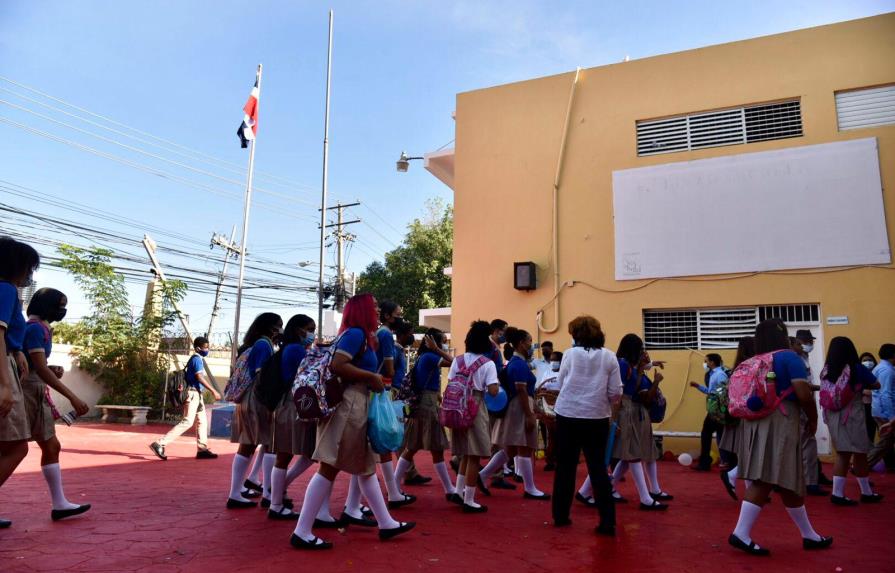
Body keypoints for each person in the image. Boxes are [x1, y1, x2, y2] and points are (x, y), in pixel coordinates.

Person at [290, 294, 414, 550]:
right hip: (349, 404)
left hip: (356, 403)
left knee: (364, 465)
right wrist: (371, 376)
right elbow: (338, 365)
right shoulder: (356, 334)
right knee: (330, 466)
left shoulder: (359, 335)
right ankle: (302, 530)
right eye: (375, 307)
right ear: (363, 311)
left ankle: (386, 523)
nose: (378, 311)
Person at [728, 318, 832, 556]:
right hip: (781, 421)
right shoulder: (788, 357)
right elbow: (803, 394)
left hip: (756, 422)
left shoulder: (754, 360)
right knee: (766, 477)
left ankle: (809, 535)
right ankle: (740, 533)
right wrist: (813, 419)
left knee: (787, 479)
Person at [21, 288, 92, 520]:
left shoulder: (39, 329)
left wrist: (50, 370)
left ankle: (60, 504)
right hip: (27, 392)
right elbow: (39, 369)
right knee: (12, 450)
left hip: (35, 390)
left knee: (51, 446)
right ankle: (60, 503)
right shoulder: (34, 329)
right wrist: (72, 396)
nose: (62, 311)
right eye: (59, 306)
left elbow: (37, 366)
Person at [551, 316, 622, 536]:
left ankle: (561, 515)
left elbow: (560, 383)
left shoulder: (569, 355)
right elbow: (615, 392)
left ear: (576, 335)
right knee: (598, 468)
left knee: (565, 467)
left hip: (568, 414)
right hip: (596, 417)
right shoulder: (610, 357)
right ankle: (607, 521)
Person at [0, 237, 40, 529]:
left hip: (8, 360)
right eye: (28, 267)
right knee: (17, 447)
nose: (30, 275)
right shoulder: (5, 290)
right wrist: (4, 383)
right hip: (1, 371)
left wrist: (17, 352)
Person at [267, 315, 323, 520]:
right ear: (299, 330)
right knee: (300, 453)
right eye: (310, 329)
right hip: (295, 406)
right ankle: (276, 500)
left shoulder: (289, 348)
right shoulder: (297, 350)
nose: (312, 333)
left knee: (287, 454)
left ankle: (278, 494)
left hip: (286, 404)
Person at [394, 328, 458, 502]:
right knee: (434, 447)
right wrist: (437, 350)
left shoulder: (423, 357)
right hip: (427, 405)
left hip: (423, 404)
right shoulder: (431, 356)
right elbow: (455, 363)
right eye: (442, 341)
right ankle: (449, 489)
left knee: (412, 446)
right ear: (434, 342)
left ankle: (394, 486)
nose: (445, 344)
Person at [226, 312, 282, 509]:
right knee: (262, 444)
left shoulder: (255, 344)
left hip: (248, 398)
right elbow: (262, 375)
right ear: (270, 327)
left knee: (249, 444)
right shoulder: (264, 345)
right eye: (278, 326)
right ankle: (261, 492)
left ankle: (238, 489)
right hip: (257, 399)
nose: (280, 330)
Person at [608, 334, 670, 510]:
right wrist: (613, 420)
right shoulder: (622, 365)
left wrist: (648, 366)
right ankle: (645, 497)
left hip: (627, 410)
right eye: (641, 349)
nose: (643, 352)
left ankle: (591, 490)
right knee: (630, 455)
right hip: (625, 409)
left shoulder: (626, 365)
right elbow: (623, 391)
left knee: (627, 456)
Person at [487, 327, 549, 500]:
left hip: (518, 406)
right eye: (529, 342)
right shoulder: (519, 364)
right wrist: (530, 413)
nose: (531, 345)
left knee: (512, 448)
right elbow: (521, 390)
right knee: (523, 447)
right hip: (520, 407)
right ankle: (530, 488)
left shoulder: (515, 362)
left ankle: (483, 475)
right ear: (521, 343)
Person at [820, 337, 882, 506]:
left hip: (832, 415)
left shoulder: (826, 370)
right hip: (852, 414)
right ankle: (865, 492)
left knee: (842, 452)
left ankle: (838, 492)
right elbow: (876, 384)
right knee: (860, 453)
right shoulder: (856, 368)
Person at [367, 301, 416, 509]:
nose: (400, 317)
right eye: (397, 314)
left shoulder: (379, 334)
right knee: (384, 441)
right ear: (388, 316)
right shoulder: (386, 335)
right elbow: (389, 369)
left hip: (377, 392)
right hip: (381, 392)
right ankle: (393, 492)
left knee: (378, 445)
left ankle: (392, 492)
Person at [449, 320, 501, 513]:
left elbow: (452, 381)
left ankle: (458, 490)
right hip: (476, 407)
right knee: (475, 455)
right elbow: (494, 390)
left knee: (465, 452)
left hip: (457, 407)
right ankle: (469, 499)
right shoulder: (487, 364)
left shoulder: (458, 360)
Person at [151, 336, 220, 461]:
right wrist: (213, 390)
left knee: (202, 421)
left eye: (208, 347)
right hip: (193, 394)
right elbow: (199, 377)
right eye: (205, 347)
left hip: (197, 395)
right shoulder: (197, 359)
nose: (207, 349)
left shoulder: (196, 359)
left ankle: (202, 449)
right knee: (188, 421)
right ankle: (160, 443)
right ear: (198, 348)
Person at [391, 319, 431, 487]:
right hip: (394, 396)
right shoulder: (394, 351)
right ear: (401, 334)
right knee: (397, 436)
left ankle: (410, 471)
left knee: (399, 435)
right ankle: (407, 473)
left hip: (397, 395)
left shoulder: (398, 350)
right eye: (409, 333)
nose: (411, 336)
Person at [793, 330, 831, 496]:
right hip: (802, 403)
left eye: (811, 341)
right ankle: (810, 482)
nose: (810, 345)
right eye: (807, 341)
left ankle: (814, 475)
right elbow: (803, 386)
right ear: (797, 342)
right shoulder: (795, 360)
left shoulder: (803, 358)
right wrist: (820, 387)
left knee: (804, 442)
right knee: (807, 441)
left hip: (805, 400)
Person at [719, 336, 755, 500]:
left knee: (747, 452)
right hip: (750, 414)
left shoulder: (736, 368)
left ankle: (751, 488)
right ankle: (732, 475)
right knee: (752, 452)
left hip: (737, 414)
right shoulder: (754, 367)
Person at [689, 353, 730, 471]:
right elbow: (710, 391)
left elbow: (722, 392)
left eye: (706, 361)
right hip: (715, 409)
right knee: (720, 435)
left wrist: (718, 408)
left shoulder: (720, 375)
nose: (705, 363)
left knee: (706, 433)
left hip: (716, 410)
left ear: (712, 362)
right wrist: (698, 386)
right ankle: (725, 461)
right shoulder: (714, 374)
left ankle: (705, 462)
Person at [868, 343, 895, 470]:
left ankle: (862, 466)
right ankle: (862, 466)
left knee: (886, 442)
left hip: (879, 410)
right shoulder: (888, 371)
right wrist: (891, 417)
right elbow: (886, 395)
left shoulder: (879, 368)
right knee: (885, 443)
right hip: (885, 413)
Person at [536, 351, 563, 470]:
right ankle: (551, 459)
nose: (552, 363)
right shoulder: (547, 372)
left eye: (555, 360)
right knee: (552, 433)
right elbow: (541, 388)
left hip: (561, 405)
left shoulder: (564, 373)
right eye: (551, 360)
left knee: (559, 434)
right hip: (548, 406)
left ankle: (557, 458)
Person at [859, 353, 879, 443]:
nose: (868, 362)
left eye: (870, 360)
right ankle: (870, 456)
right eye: (865, 360)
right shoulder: (858, 375)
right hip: (864, 407)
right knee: (868, 434)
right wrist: (863, 391)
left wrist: (871, 392)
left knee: (883, 434)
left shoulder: (878, 373)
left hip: (878, 407)